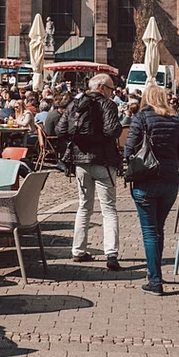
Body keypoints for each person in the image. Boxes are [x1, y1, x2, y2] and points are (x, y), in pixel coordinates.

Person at [123, 85, 179, 295]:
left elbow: (128, 149)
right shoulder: (176, 121)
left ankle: (155, 279)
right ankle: (155, 273)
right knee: (158, 229)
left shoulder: (141, 118)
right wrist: (170, 164)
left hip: (145, 180)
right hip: (170, 181)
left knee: (150, 231)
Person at [57, 73, 125, 270]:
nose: (113, 93)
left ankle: (78, 250)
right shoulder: (107, 104)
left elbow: (60, 130)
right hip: (103, 160)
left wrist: (80, 140)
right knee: (108, 208)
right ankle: (111, 254)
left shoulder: (75, 103)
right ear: (102, 88)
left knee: (84, 206)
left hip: (80, 162)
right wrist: (102, 136)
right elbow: (112, 130)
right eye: (111, 89)